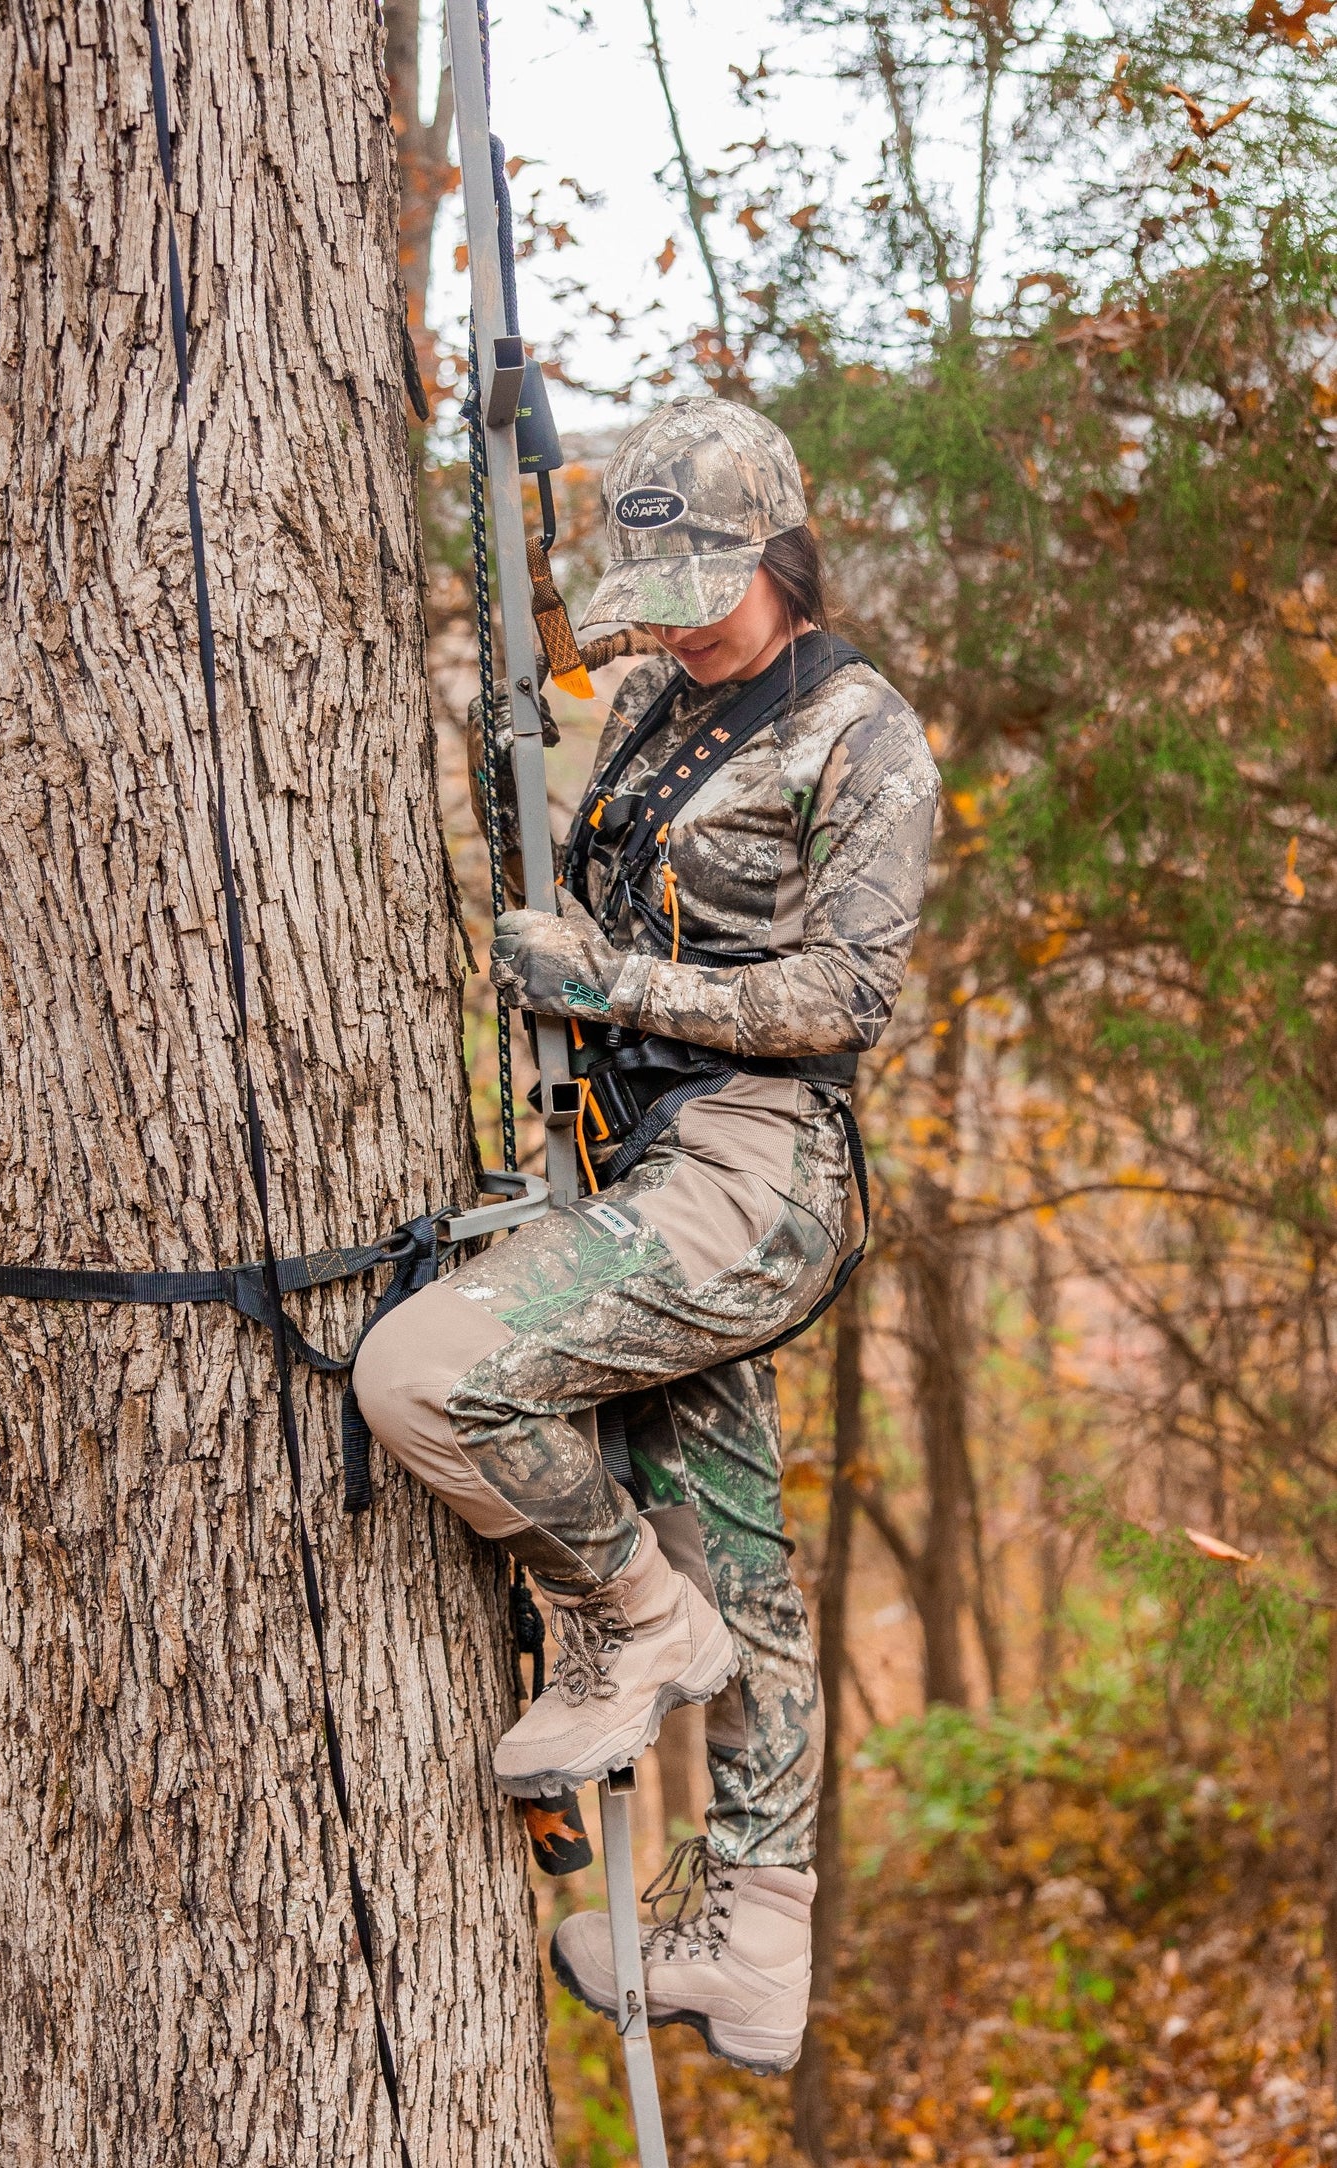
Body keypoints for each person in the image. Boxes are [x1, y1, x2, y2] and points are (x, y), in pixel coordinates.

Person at [354, 397, 939, 2075]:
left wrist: (616, 985)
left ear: (776, 551)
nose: (678, 617)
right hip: (626, 1155)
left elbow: (847, 994)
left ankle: (626, 1616)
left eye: (704, 582)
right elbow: (570, 855)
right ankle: (758, 1939)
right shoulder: (639, 705)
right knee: (740, 1548)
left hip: (753, 1169)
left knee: (427, 1373)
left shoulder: (859, 736)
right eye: (653, 586)